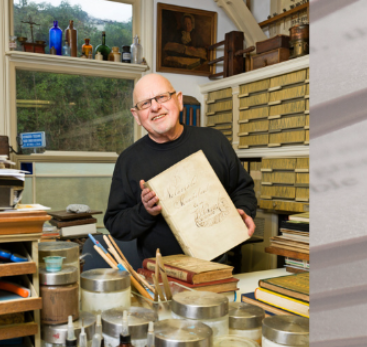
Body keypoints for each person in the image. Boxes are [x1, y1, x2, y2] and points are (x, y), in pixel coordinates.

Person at [104, 73, 256, 260]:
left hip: (223, 271)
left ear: (179, 100)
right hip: (163, 280)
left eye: (162, 97)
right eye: (145, 104)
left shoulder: (214, 141)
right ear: (136, 115)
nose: (155, 107)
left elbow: (243, 190)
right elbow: (116, 225)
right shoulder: (128, 161)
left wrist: (243, 210)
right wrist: (145, 211)